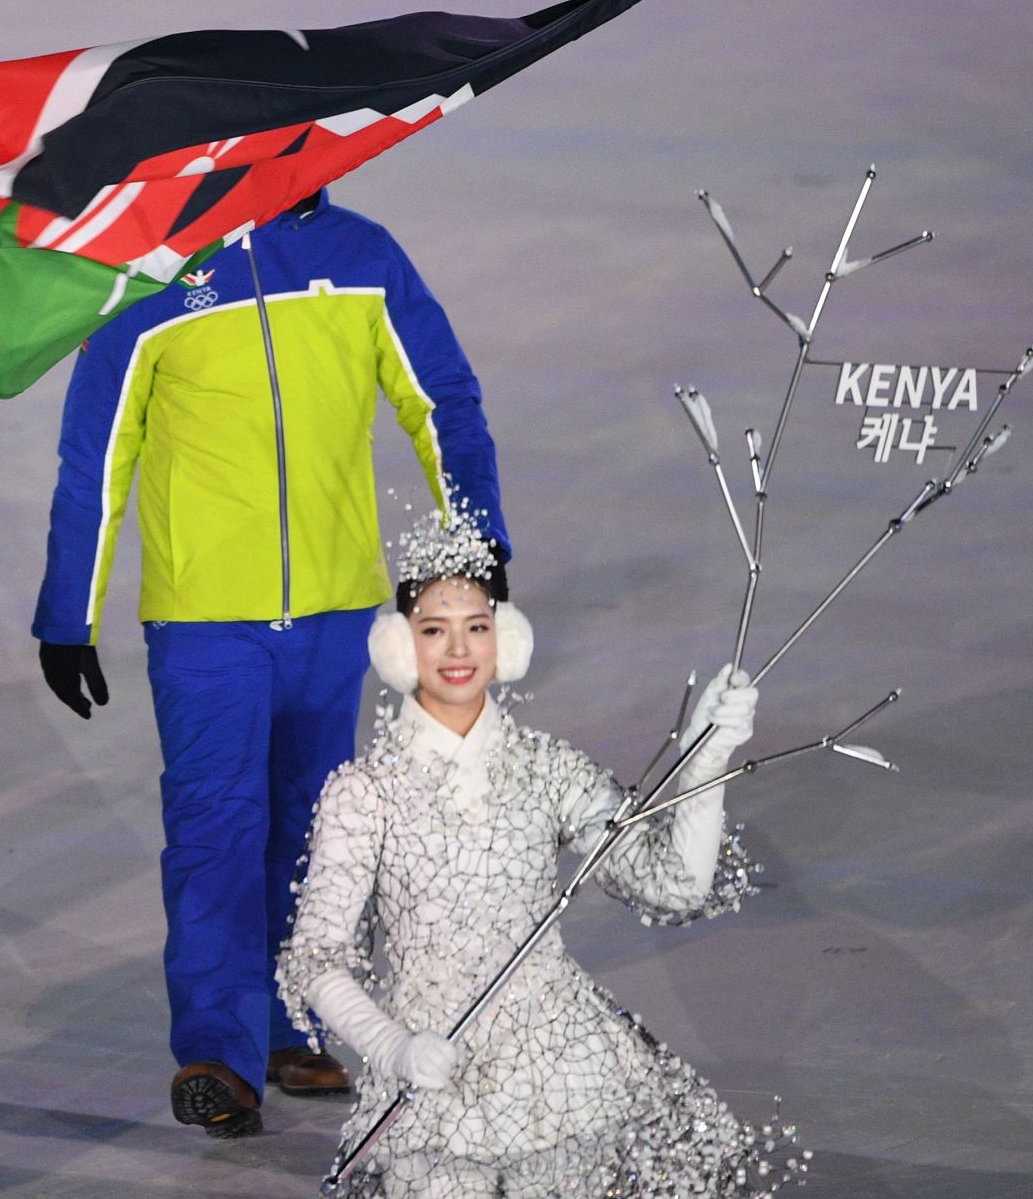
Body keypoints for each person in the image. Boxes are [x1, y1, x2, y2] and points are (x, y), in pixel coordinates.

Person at [31, 191, 509, 1136]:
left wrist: (475, 533)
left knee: (319, 829)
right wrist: (68, 613)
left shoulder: (363, 254)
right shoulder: (151, 272)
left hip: (334, 612)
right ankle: (218, 1050)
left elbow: (439, 395)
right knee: (215, 825)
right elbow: (99, 451)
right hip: (208, 621)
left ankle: (298, 1021)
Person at [275, 506, 789, 1196]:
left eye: (477, 627)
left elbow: (673, 884)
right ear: (400, 646)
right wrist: (391, 1046)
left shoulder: (548, 770)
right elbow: (315, 959)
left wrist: (706, 760)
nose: (458, 650)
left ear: (505, 641)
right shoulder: (364, 793)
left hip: (564, 1075)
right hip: (435, 1078)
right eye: (435, 629)